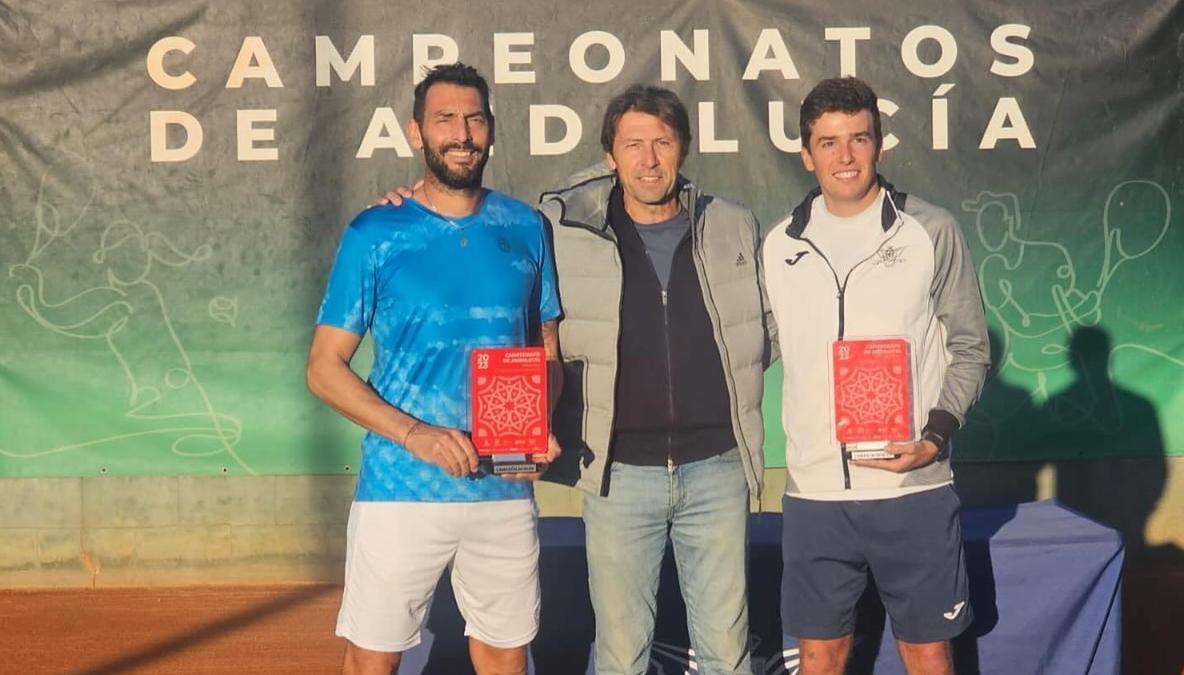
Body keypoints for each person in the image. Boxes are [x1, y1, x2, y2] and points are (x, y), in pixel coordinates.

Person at [306, 62, 562, 675]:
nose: (462, 133)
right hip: (400, 490)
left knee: (505, 653)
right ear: (416, 133)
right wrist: (416, 435)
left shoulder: (526, 226)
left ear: (492, 131)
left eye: (474, 118)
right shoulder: (376, 231)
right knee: (375, 658)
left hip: (504, 485)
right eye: (445, 119)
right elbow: (324, 369)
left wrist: (541, 421)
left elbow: (544, 348)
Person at [539, 85, 775, 675]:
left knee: (727, 651)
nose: (648, 159)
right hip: (618, 473)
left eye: (662, 143)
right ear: (610, 156)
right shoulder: (564, 230)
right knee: (623, 655)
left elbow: (764, 328)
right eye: (633, 145)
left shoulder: (732, 224)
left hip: (718, 467)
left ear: (684, 149)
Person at [761, 76, 990, 675]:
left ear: (880, 145)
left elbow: (970, 346)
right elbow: (758, 348)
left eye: (858, 138)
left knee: (928, 654)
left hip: (912, 488)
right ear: (806, 153)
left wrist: (935, 436)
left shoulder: (931, 230)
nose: (845, 156)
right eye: (829, 142)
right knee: (819, 658)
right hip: (815, 492)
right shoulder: (777, 244)